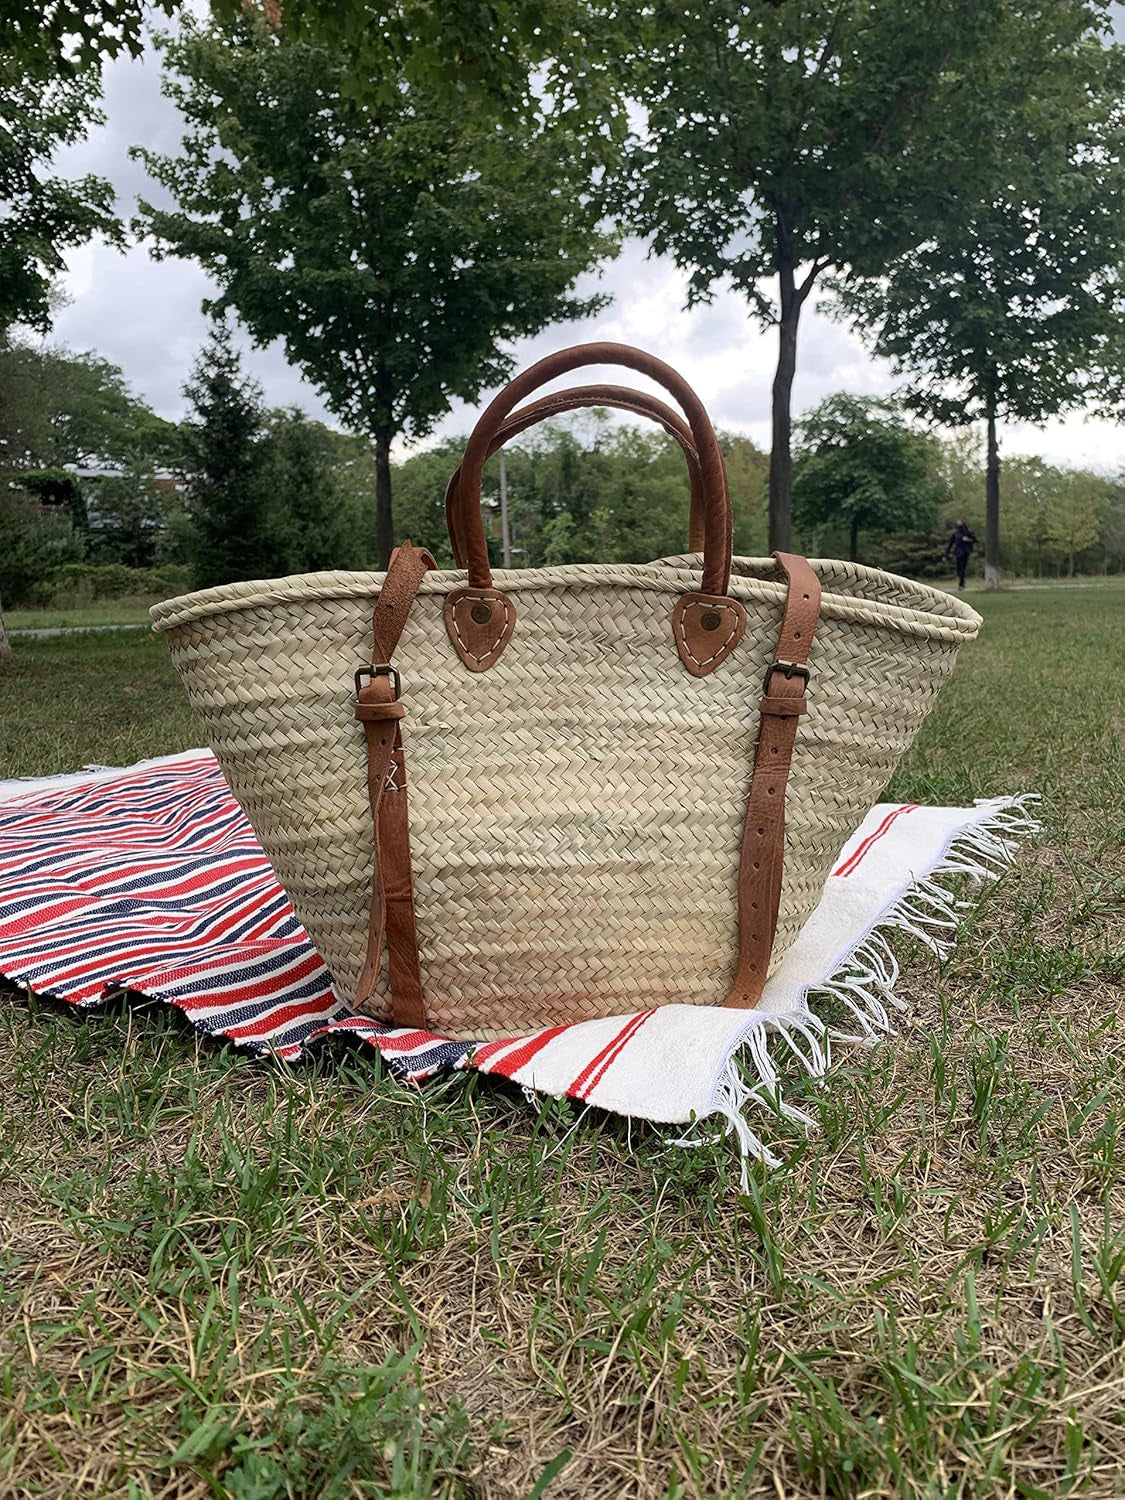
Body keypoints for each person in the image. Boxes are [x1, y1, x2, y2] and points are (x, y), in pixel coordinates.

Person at [944, 519, 977, 589]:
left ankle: (961, 584)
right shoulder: (956, 533)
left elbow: (974, 539)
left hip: (965, 552)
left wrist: (968, 540)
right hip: (958, 553)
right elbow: (950, 544)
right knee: (959, 569)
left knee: (962, 568)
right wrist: (946, 554)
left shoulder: (968, 532)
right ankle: (961, 582)